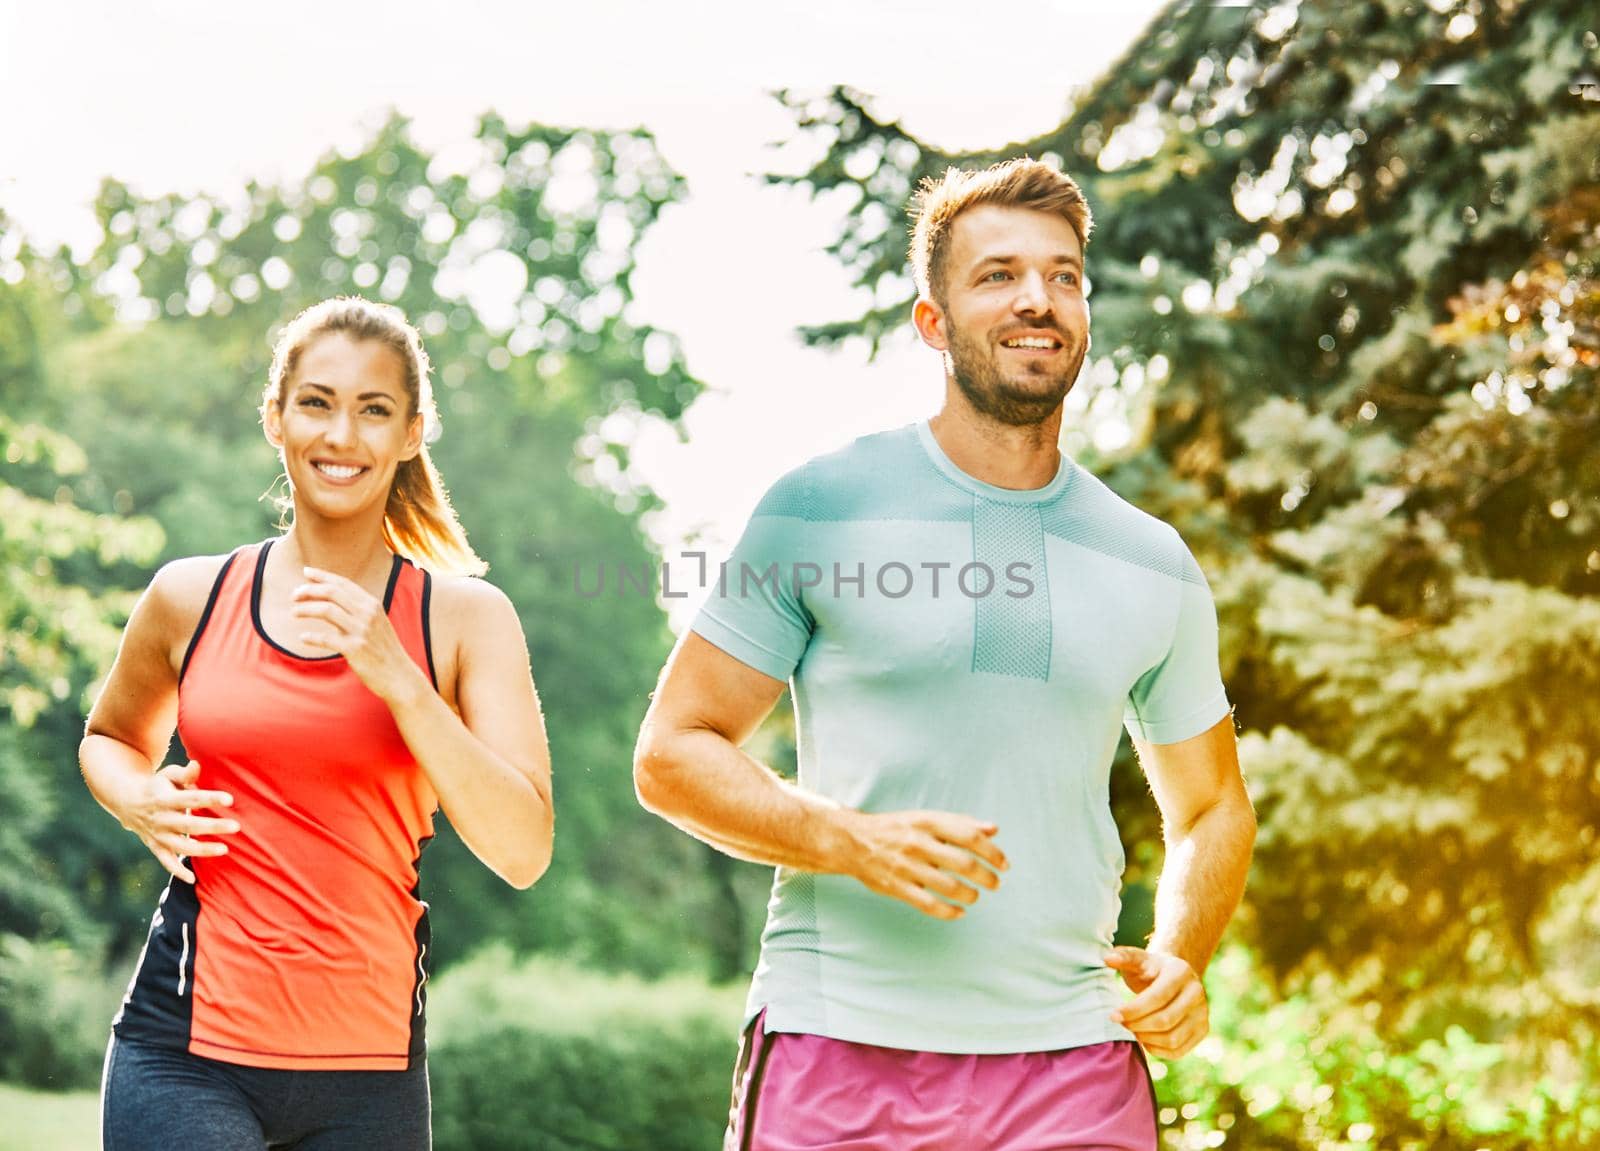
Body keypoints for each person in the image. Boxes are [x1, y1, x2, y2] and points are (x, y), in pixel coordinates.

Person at [634, 159, 1257, 1150]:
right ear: (933, 321)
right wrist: (846, 837)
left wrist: (1182, 952)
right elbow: (671, 751)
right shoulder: (819, 506)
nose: (1036, 299)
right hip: (840, 1048)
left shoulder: (1151, 559)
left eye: (1063, 276)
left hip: (1075, 1061)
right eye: (998, 274)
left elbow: (1213, 803)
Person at [83, 297, 554, 1151]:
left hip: (369, 1078)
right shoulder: (191, 596)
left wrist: (401, 681)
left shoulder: (466, 620)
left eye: (374, 410)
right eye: (317, 402)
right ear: (276, 416)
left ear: (413, 432)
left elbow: (522, 849)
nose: (342, 435)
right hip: (184, 1052)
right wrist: (138, 798)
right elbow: (109, 738)